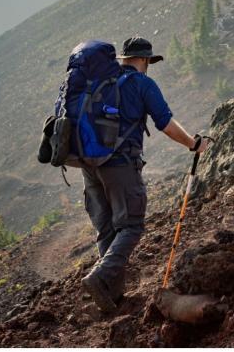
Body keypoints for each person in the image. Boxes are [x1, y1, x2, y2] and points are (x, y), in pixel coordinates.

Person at [81, 36, 211, 313]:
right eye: (149, 61)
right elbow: (164, 122)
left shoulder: (99, 82)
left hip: (88, 164)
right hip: (119, 164)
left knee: (108, 229)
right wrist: (193, 143)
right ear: (144, 60)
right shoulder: (142, 84)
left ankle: (111, 297)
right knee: (131, 226)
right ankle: (100, 277)